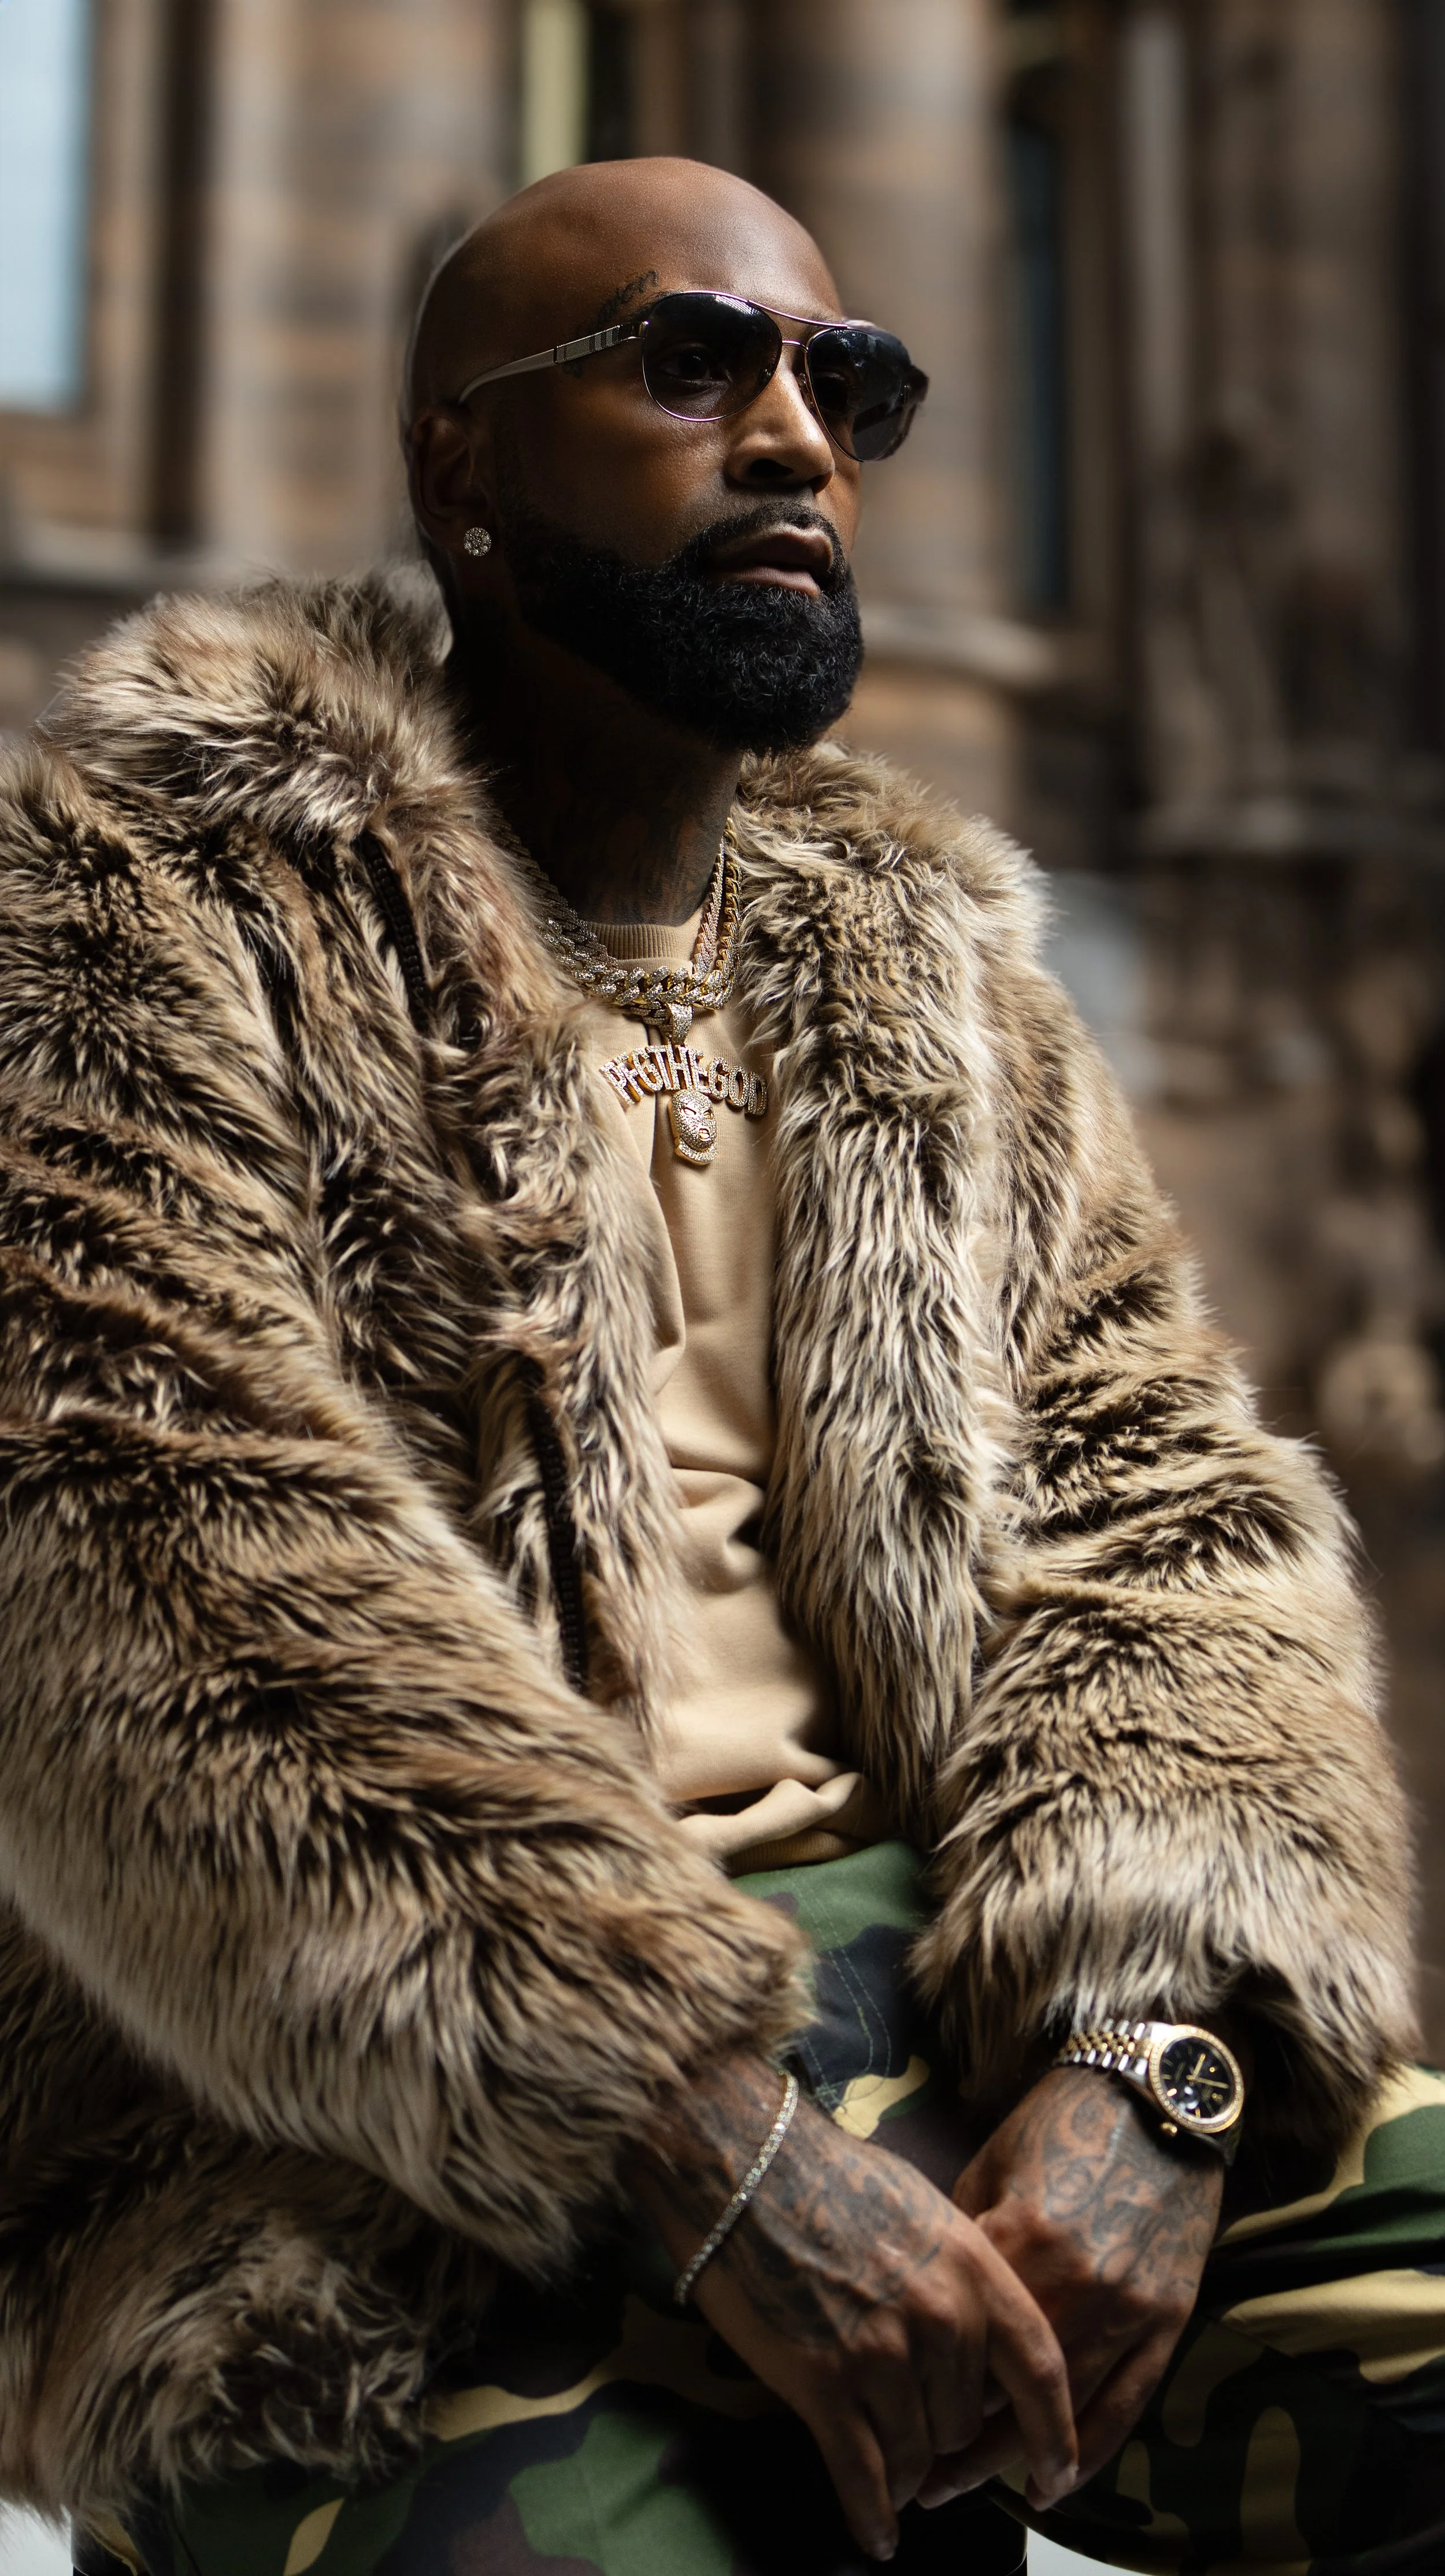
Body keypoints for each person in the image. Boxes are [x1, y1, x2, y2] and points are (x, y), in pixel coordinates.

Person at [0, 157, 1438, 2576]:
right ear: (465, 469)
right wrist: (704, 2139)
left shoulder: (941, 984)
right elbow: (136, 1568)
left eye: (842, 380)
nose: (796, 435)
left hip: (967, 1989)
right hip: (333, 2141)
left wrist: (1144, 2064)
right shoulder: (139, 899)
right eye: (692, 364)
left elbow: (1171, 1518)